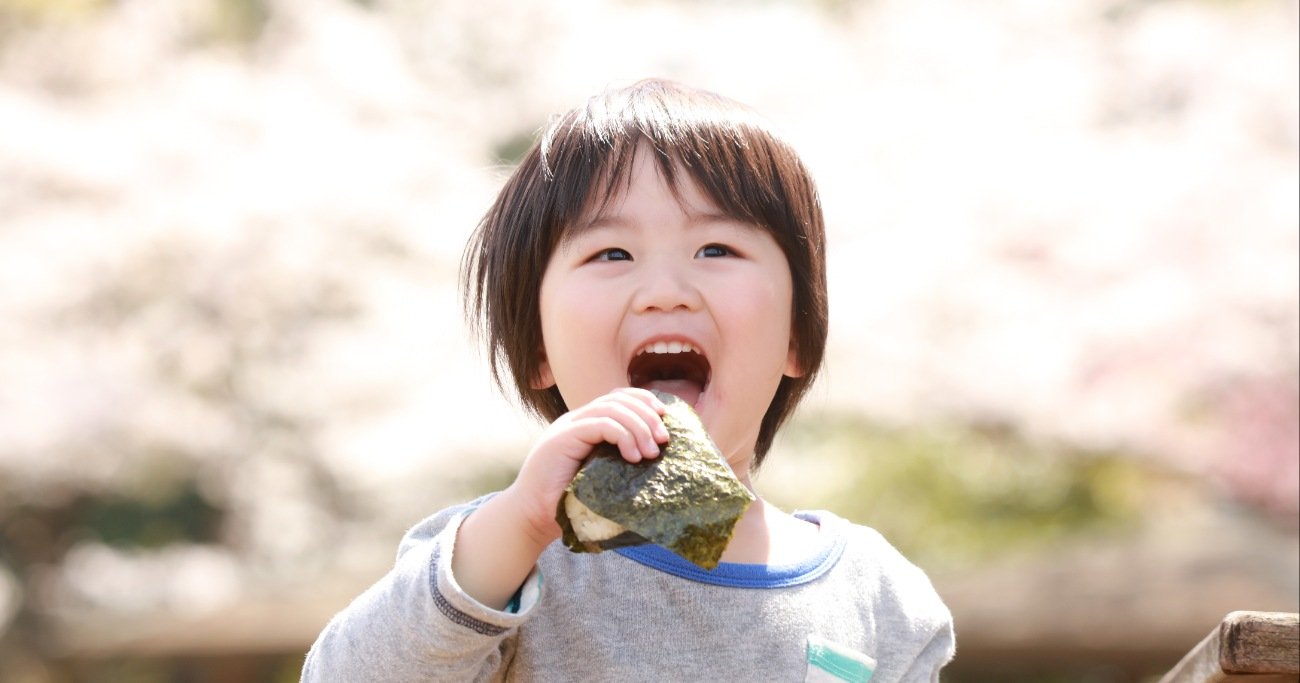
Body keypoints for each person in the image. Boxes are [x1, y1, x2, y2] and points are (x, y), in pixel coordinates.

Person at [301, 78, 955, 683]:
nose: (665, 292)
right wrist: (522, 524)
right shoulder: (503, 560)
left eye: (717, 249)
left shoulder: (881, 599)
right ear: (538, 350)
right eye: (611, 253)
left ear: (795, 335)